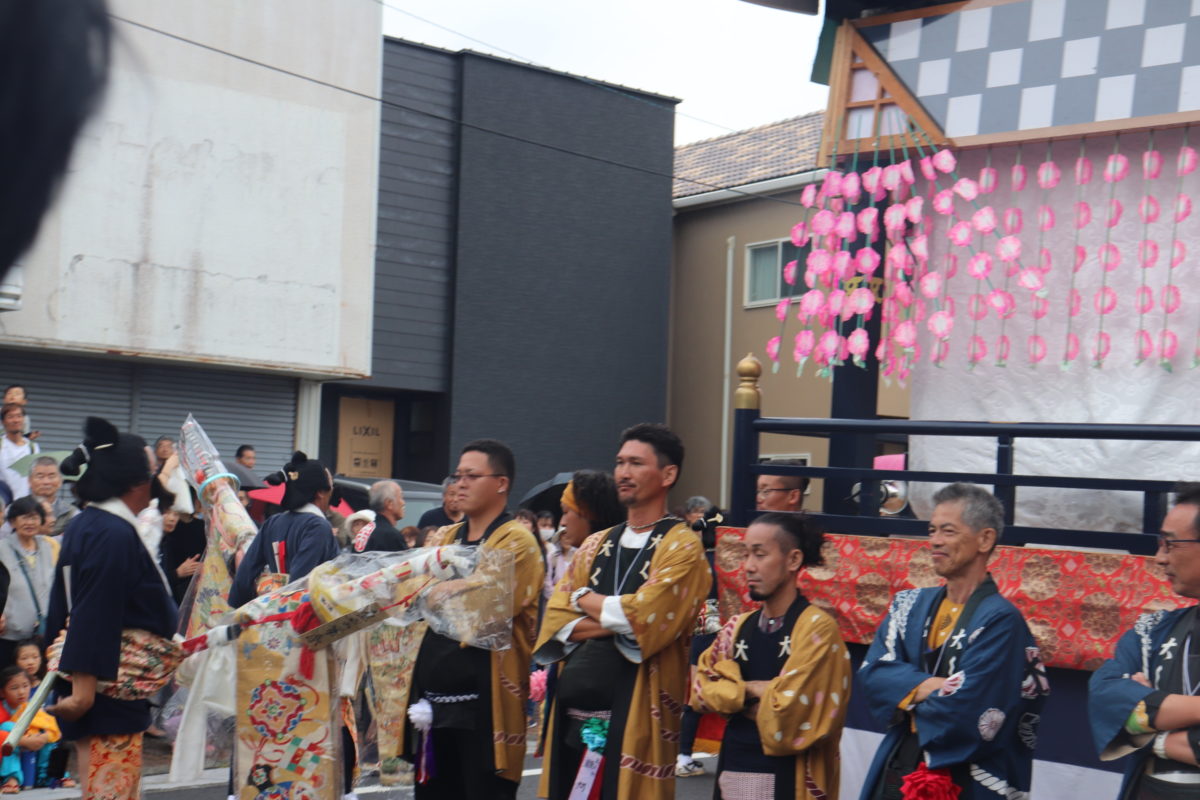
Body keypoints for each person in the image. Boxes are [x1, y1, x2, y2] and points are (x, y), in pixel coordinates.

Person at [534, 423, 713, 800]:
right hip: (572, 711)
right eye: (619, 463)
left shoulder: (682, 546)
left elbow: (647, 617)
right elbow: (555, 619)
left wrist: (584, 598)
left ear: (668, 474)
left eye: (636, 463)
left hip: (637, 717)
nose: (623, 472)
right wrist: (620, 618)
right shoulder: (596, 542)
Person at [857, 483, 1048, 800]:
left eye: (948, 531)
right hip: (903, 758)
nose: (935, 541)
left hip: (967, 777)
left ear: (985, 539)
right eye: (932, 531)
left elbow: (971, 708)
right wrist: (934, 686)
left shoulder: (1002, 620)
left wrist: (906, 693)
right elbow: (873, 673)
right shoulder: (909, 604)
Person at [43, 416, 178, 800]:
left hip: (94, 679)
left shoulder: (88, 524)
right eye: (151, 472)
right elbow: (93, 610)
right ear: (136, 482)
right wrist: (83, 693)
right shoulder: (112, 533)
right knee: (110, 794)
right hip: (108, 687)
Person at [402, 439, 544, 799]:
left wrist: (438, 591)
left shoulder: (518, 541)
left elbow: (485, 610)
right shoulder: (448, 535)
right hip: (434, 698)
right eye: (457, 476)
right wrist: (444, 589)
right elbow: (411, 590)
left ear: (501, 483)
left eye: (471, 476)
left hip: (486, 702)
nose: (460, 484)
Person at [693, 512, 849, 799]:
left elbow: (797, 714)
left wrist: (734, 694)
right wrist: (757, 690)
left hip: (791, 777)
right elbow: (701, 690)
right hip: (734, 767)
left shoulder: (818, 629)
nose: (749, 566)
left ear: (793, 560)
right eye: (746, 554)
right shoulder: (737, 626)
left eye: (760, 554)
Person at [1089, 482, 1200, 796]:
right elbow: (1107, 696)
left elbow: (1131, 717)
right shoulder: (1154, 630)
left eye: (1170, 544)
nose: (1160, 558)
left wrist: (1153, 732)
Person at [228, 451, 339, 608]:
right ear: (320, 492)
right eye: (331, 485)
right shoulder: (318, 526)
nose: (333, 490)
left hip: (273, 611)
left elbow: (246, 572)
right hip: (302, 613)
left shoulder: (273, 522)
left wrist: (239, 611)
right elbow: (300, 582)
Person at [0, 498, 56, 666]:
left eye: (34, 517)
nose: (30, 522)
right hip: (10, 633)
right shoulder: (2, 548)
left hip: (42, 632)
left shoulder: (48, 546)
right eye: (24, 517)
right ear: (12, 522)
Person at [27, 457, 75, 537]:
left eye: (51, 477)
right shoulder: (16, 509)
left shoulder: (72, 513)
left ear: (60, 481)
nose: (46, 482)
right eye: (40, 477)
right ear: (29, 481)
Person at [354, 480, 407, 552]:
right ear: (389, 504)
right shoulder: (390, 535)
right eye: (401, 497)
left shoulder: (364, 532)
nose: (403, 503)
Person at [0, 405, 37, 501]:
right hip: (3, 503)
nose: (16, 420)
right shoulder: (1, 444)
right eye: (10, 417)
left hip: (24, 504)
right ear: (3, 422)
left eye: (19, 416)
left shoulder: (33, 447)